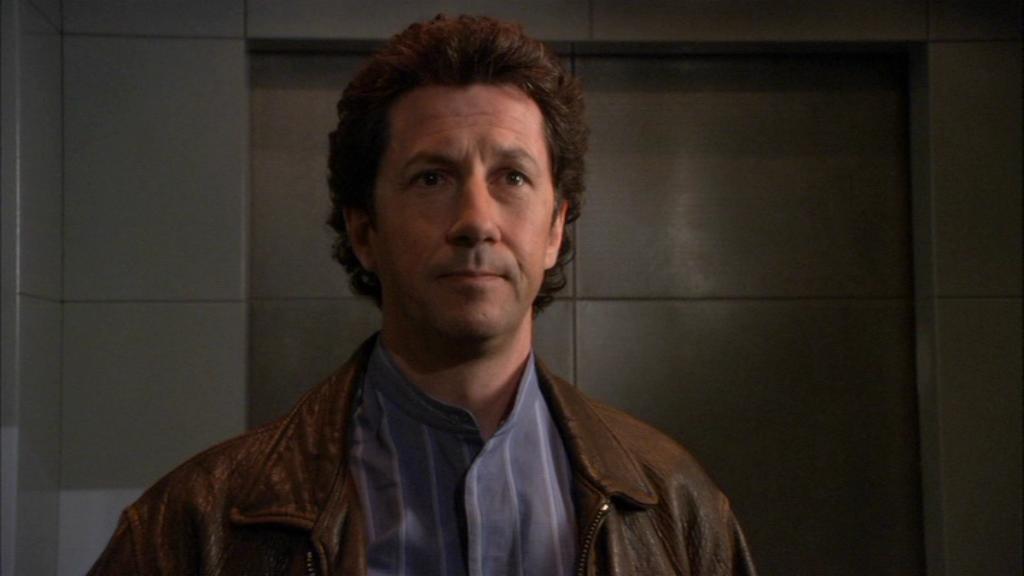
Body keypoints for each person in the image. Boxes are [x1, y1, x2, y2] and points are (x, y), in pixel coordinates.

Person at [88, 15, 756, 576]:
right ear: (364, 231)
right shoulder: (195, 525)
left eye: (512, 177)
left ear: (556, 229)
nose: (476, 221)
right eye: (432, 178)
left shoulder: (676, 507)